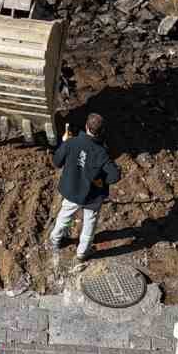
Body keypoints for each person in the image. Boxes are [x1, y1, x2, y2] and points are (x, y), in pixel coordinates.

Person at [49, 113, 120, 263]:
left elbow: (56, 161)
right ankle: (82, 252)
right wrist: (100, 181)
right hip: (91, 197)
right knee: (89, 224)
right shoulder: (102, 153)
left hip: (72, 190)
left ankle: (55, 239)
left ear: (86, 127)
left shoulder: (71, 143)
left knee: (65, 216)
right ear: (101, 132)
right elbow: (114, 176)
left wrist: (64, 143)